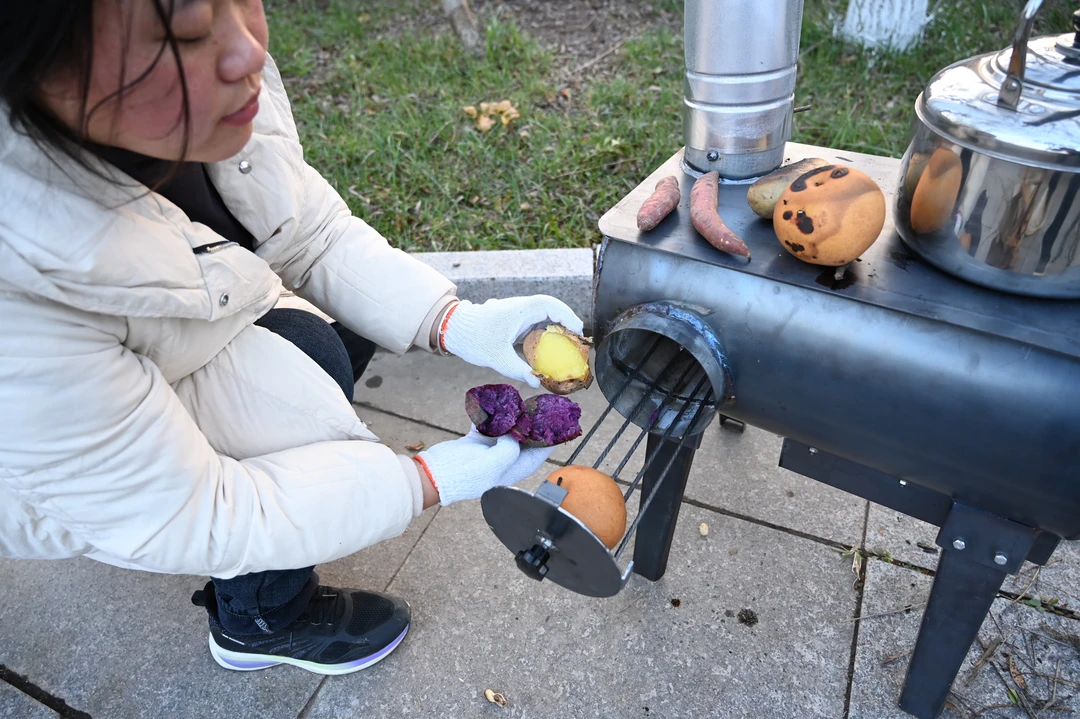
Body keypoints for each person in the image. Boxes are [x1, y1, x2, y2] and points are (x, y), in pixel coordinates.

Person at [0, 1, 583, 676]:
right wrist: (424, 479)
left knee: (324, 340)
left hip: (158, 351)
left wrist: (455, 320)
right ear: (33, 60)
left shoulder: (205, 95)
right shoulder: (18, 299)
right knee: (309, 377)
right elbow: (203, 511)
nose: (248, 50)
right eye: (182, 31)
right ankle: (258, 621)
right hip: (39, 465)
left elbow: (311, 232)